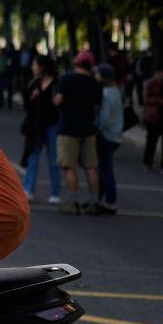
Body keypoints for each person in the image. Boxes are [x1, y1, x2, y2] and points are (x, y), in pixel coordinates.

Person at [55, 51, 104, 215]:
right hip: (88, 129)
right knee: (91, 167)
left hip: (68, 128)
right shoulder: (95, 83)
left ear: (76, 63)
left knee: (69, 167)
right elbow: (97, 107)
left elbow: (58, 100)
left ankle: (72, 201)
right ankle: (94, 201)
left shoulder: (66, 79)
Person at [20, 54, 63, 203]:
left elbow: (60, 105)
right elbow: (26, 106)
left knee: (53, 160)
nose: (32, 66)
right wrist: (31, 98)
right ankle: (28, 190)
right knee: (33, 158)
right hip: (36, 126)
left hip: (52, 125)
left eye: (35, 64)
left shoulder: (57, 84)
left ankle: (55, 193)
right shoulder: (33, 82)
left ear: (42, 66)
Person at [94, 62, 124, 215]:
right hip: (116, 135)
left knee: (104, 169)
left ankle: (109, 200)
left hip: (107, 135)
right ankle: (106, 198)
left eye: (98, 74)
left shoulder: (106, 94)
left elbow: (104, 119)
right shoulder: (115, 91)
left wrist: (96, 127)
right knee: (105, 168)